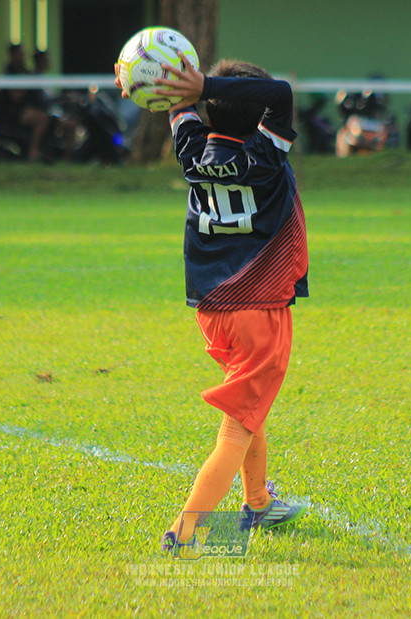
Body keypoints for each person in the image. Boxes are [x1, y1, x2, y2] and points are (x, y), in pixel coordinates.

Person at [115, 55, 309, 554]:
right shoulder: (267, 157)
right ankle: (185, 530)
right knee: (237, 429)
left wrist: (151, 82)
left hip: (213, 310)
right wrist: (203, 84)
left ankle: (259, 501)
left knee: (251, 408)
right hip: (259, 308)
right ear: (259, 115)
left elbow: (179, 110)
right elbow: (282, 92)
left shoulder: (191, 149)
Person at [0, 44, 52, 161]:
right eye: (20, 54)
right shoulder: (9, 72)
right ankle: (33, 150)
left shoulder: (24, 71)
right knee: (42, 118)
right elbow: (15, 97)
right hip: (11, 112)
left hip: (24, 109)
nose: (23, 56)